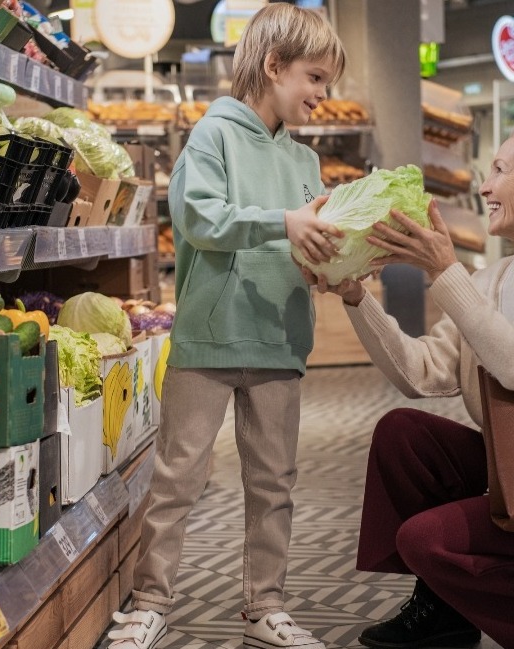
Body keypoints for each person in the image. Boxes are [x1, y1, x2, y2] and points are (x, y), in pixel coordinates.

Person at [303, 118, 514, 649]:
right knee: (403, 434)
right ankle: (444, 612)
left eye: (499, 170)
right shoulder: (496, 278)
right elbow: (422, 373)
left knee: (422, 540)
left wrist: (445, 273)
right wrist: (355, 296)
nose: (484, 186)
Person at [104, 5, 346, 649]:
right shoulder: (212, 136)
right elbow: (199, 221)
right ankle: (150, 602)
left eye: (328, 84)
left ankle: (265, 607)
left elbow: (307, 249)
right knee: (177, 478)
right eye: (315, 78)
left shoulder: (303, 162)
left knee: (275, 484)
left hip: (281, 337)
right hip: (208, 340)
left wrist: (341, 263)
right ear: (273, 65)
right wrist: (283, 222)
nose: (322, 96)